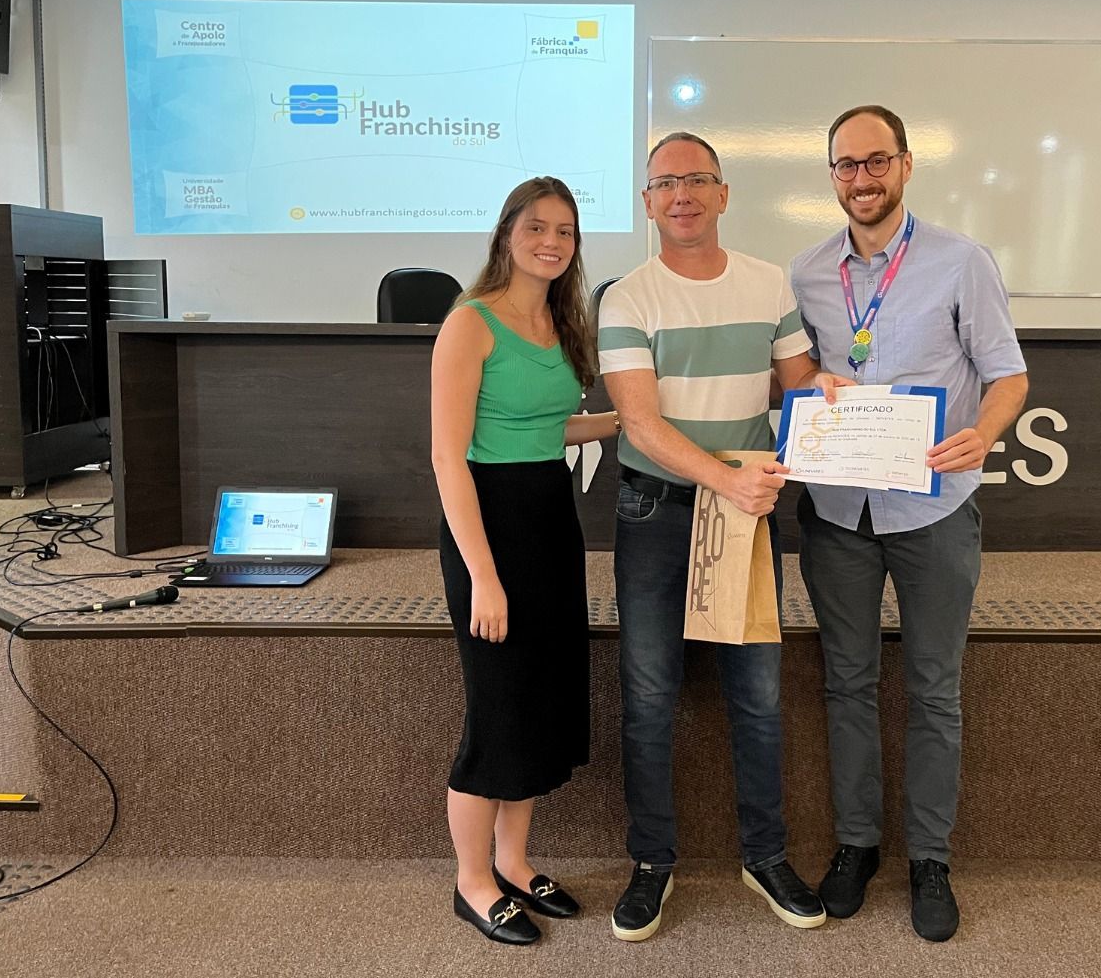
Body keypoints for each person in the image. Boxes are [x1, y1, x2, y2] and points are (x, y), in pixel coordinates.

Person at [597, 132, 849, 941]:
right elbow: (639, 421)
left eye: (698, 179)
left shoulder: (768, 282)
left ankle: (765, 855)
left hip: (742, 514)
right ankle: (651, 862)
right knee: (648, 697)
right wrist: (725, 478)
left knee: (758, 695)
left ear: (723, 193)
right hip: (655, 513)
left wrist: (825, 388)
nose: (682, 194)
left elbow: (796, 380)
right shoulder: (626, 298)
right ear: (647, 202)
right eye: (666, 182)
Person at [788, 105, 1029, 942]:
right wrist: (808, 383)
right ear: (831, 174)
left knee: (933, 688)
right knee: (845, 682)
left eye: (875, 161)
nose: (861, 178)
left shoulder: (961, 261)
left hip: (934, 507)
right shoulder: (806, 272)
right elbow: (795, 374)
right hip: (836, 510)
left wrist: (984, 432)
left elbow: (1007, 375)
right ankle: (857, 844)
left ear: (905, 164)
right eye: (845, 165)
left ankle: (930, 857)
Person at [430, 176, 620, 945]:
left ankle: (512, 860)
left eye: (565, 230)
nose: (552, 241)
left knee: (539, 699)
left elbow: (545, 429)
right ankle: (471, 881)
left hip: (549, 520)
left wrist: (628, 419)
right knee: (499, 707)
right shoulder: (469, 322)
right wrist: (483, 575)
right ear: (506, 233)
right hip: (488, 527)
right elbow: (448, 456)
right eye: (537, 226)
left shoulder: (559, 320)